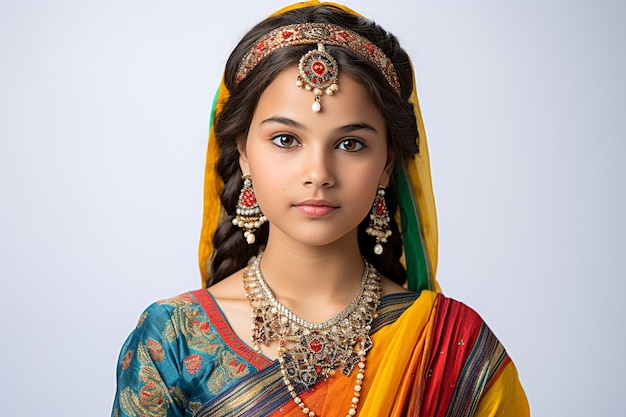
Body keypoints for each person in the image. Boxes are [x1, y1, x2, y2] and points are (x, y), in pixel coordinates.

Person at [111, 1, 530, 416]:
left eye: (350, 144)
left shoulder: (450, 347)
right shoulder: (172, 342)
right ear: (242, 152)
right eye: (286, 140)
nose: (318, 174)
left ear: (386, 164)